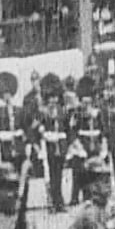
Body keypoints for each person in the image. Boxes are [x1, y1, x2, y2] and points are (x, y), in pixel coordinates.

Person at [31, 73, 69, 212]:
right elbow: (34, 129)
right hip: (49, 147)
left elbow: (67, 129)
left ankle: (59, 201)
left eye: (55, 97)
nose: (53, 100)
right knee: (51, 175)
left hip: (60, 145)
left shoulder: (62, 111)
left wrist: (67, 143)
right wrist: (41, 134)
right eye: (51, 97)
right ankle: (53, 201)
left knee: (59, 175)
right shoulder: (43, 112)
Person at [69, 75, 107, 205]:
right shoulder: (76, 113)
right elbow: (73, 131)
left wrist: (102, 146)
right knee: (79, 173)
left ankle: (91, 195)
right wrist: (78, 146)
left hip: (94, 144)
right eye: (84, 101)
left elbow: (102, 130)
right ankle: (75, 197)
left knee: (93, 172)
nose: (87, 104)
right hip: (82, 145)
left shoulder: (98, 113)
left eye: (89, 101)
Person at [0, 72, 26, 172]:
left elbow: (26, 128)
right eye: (4, 94)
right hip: (5, 150)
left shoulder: (19, 111)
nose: (7, 97)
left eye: (9, 94)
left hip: (20, 149)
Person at [99, 77, 115, 199]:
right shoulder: (100, 105)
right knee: (104, 167)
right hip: (104, 138)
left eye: (111, 89)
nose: (109, 92)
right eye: (107, 89)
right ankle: (106, 192)